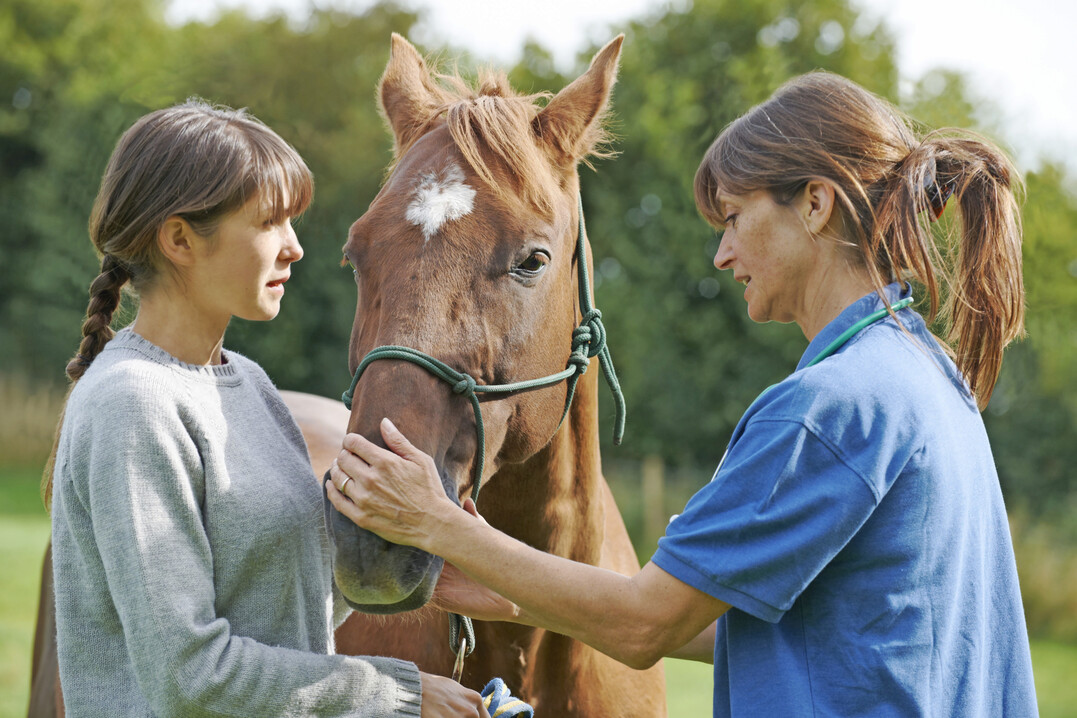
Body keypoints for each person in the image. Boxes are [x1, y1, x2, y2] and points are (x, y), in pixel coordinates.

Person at [326, 72, 1039, 716]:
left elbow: (646, 624)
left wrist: (439, 525)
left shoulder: (824, 410)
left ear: (815, 204)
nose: (721, 254)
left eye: (732, 218)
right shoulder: (925, 375)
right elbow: (764, 626)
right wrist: (513, 588)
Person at [46, 100, 489, 717]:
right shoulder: (132, 404)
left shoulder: (247, 383)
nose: (296, 249)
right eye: (271, 223)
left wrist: (428, 573)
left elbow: (280, 605)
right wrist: (399, 696)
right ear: (178, 239)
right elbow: (190, 675)